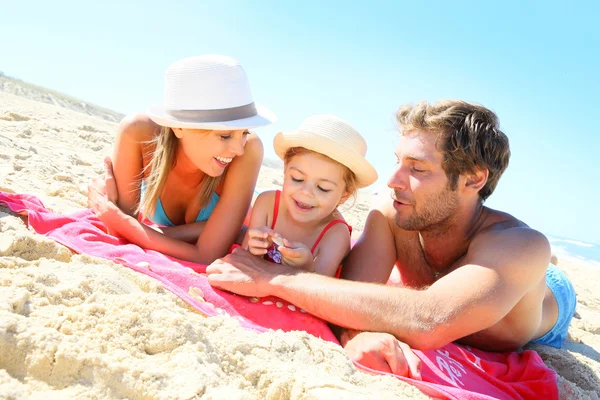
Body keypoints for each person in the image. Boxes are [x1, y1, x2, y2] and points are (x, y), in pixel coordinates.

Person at [206, 100, 576, 375]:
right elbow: (350, 293)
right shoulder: (392, 214)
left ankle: (549, 271)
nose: (393, 179)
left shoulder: (521, 245)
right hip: (451, 279)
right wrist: (355, 335)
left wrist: (273, 277)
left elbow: (430, 319)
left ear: (473, 179)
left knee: (540, 274)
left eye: (417, 168)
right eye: (398, 161)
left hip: (544, 305)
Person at [88, 55, 276, 264]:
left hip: (252, 209)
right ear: (178, 127)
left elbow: (206, 255)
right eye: (225, 135)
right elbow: (121, 233)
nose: (239, 149)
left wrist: (122, 221)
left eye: (244, 132)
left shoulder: (249, 149)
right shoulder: (138, 134)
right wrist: (128, 224)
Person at [242, 115, 378, 276]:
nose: (306, 192)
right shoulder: (267, 204)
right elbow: (243, 257)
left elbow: (318, 289)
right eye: (297, 179)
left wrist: (306, 268)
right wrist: (254, 249)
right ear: (285, 170)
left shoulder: (335, 234)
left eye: (323, 188)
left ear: (344, 195)